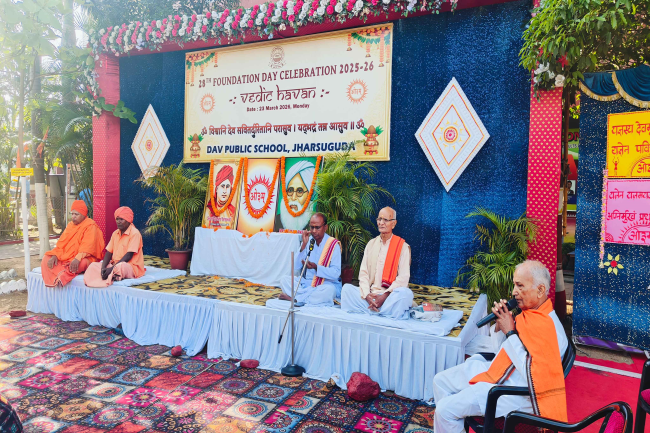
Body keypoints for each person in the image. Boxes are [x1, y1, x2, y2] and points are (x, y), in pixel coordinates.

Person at [432, 260, 568, 433]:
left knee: (444, 410)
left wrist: (510, 332)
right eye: (514, 285)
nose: (514, 292)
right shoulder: (531, 315)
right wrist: (499, 327)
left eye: (520, 286)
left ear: (540, 290)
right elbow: (501, 351)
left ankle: (451, 418)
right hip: (499, 371)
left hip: (512, 392)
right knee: (440, 381)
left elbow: (531, 374)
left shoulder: (548, 328)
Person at [340, 207, 413, 320]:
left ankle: (373, 310)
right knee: (346, 290)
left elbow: (403, 278)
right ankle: (380, 310)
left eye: (385, 220)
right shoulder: (371, 244)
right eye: (379, 219)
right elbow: (363, 274)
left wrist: (384, 296)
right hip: (370, 296)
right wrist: (367, 295)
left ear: (393, 224)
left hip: (389, 297)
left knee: (405, 294)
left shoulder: (402, 247)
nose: (381, 223)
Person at [278, 213, 341, 306]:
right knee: (284, 280)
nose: (314, 231)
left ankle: (296, 299)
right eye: (312, 227)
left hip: (326, 284)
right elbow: (295, 267)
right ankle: (306, 299)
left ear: (325, 227)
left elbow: (336, 273)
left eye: (317, 227)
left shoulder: (333, 245)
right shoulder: (308, 241)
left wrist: (316, 268)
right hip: (307, 284)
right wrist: (303, 245)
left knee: (329, 291)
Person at [40, 200, 105, 287]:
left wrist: (77, 259)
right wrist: (55, 255)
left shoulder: (90, 225)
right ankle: (59, 276)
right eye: (72, 214)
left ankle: (62, 276)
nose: (73, 217)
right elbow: (61, 245)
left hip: (84, 257)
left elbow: (88, 247)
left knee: (81, 264)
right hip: (67, 257)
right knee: (46, 258)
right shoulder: (70, 225)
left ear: (83, 214)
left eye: (76, 214)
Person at [84, 206, 145, 287]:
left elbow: (129, 256)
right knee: (93, 266)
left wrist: (112, 268)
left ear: (128, 220)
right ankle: (110, 275)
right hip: (114, 265)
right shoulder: (115, 233)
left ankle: (111, 275)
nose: (118, 222)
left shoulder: (135, 233)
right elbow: (109, 252)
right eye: (117, 219)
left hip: (130, 267)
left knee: (121, 267)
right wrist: (103, 268)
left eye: (121, 219)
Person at [277, 160, 315, 231]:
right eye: (290, 190)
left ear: (310, 194)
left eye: (299, 191)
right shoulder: (276, 221)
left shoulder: (314, 225)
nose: (293, 197)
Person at [205, 165, 237, 229]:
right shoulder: (209, 209)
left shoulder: (232, 212)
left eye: (227, 187)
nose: (225, 191)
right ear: (216, 189)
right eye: (222, 186)